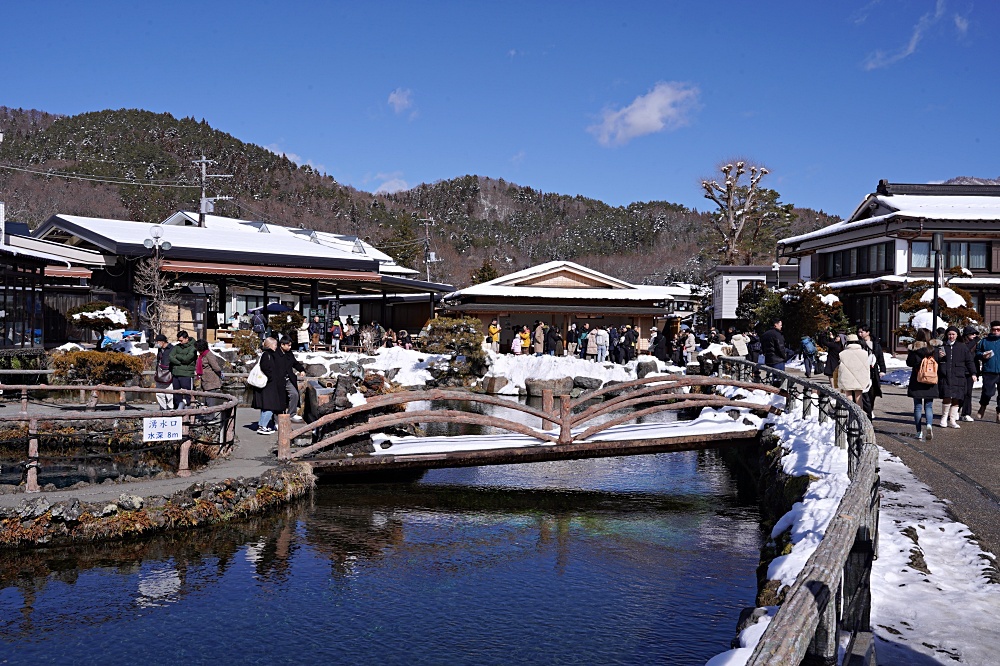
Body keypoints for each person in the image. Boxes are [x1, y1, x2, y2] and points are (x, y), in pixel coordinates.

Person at [907, 328, 942, 440]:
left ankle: (919, 432)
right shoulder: (934, 349)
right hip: (930, 380)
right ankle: (929, 425)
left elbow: (909, 363)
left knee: (917, 407)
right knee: (929, 406)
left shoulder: (914, 348)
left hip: (917, 380)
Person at [938, 325, 976, 428]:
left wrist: (973, 373)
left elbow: (969, 361)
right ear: (946, 335)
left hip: (958, 375)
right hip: (945, 375)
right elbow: (935, 360)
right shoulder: (942, 346)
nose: (951, 336)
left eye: (953, 334)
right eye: (949, 334)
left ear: (957, 335)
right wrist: (938, 356)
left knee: (957, 398)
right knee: (946, 397)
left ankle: (953, 420)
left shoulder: (962, 347)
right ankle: (944, 418)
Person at [253, 337, 284, 434]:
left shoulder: (266, 354)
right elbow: (266, 367)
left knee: (266, 406)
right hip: (269, 385)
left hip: (267, 385)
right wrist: (272, 377)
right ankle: (263, 426)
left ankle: (262, 425)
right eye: (275, 345)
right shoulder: (267, 355)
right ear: (270, 345)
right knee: (271, 406)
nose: (276, 346)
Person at [856, 325, 886, 420]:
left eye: (862, 332)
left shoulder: (875, 343)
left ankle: (870, 409)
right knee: (864, 393)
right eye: (859, 332)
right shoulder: (858, 344)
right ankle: (866, 411)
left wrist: (882, 370)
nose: (860, 334)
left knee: (872, 393)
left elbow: (880, 357)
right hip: (862, 371)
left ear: (868, 332)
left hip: (873, 371)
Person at [836, 334, 872, 408]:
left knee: (848, 396)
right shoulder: (864, 353)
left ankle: (850, 413)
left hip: (847, 378)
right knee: (859, 397)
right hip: (860, 378)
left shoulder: (842, 353)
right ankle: (859, 415)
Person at [276, 336, 306, 423]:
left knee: (294, 394)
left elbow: (295, 363)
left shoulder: (289, 353)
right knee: (279, 399)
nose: (290, 347)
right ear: (282, 345)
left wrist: (301, 369)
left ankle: (291, 414)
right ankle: (278, 418)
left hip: (288, 379)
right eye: (288, 345)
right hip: (278, 380)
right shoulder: (276, 353)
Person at [975, 320, 1000, 422]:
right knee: (988, 392)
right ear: (991, 330)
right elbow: (977, 353)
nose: (996, 331)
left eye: (998, 329)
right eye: (994, 329)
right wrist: (982, 355)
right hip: (989, 371)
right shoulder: (984, 341)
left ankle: (999, 412)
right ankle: (983, 405)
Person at [194, 338, 224, 422]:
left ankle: (210, 416)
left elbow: (216, 367)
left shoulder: (208, 355)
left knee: (210, 399)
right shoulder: (202, 355)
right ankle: (208, 415)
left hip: (211, 380)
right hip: (206, 380)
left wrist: (220, 373)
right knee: (207, 399)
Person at [168, 330, 197, 410]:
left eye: (181, 340)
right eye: (179, 340)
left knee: (188, 393)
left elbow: (187, 359)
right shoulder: (177, 347)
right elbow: (170, 356)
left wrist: (177, 356)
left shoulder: (193, 348)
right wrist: (179, 362)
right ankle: (177, 409)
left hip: (187, 374)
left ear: (186, 338)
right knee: (176, 393)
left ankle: (188, 410)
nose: (180, 342)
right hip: (176, 373)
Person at [960, 325, 981, 421]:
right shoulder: (961, 343)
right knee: (961, 392)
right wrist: (974, 341)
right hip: (961, 370)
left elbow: (977, 357)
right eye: (972, 333)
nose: (974, 335)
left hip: (971, 371)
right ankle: (956, 410)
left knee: (968, 393)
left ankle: (966, 413)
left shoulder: (976, 344)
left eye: (975, 334)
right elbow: (965, 350)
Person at [153, 333, 174, 410]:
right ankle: (162, 408)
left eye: (157, 342)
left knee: (169, 393)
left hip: (168, 373)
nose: (156, 344)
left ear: (162, 342)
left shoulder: (172, 349)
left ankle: (170, 408)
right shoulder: (160, 349)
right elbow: (158, 360)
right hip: (160, 373)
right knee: (159, 393)